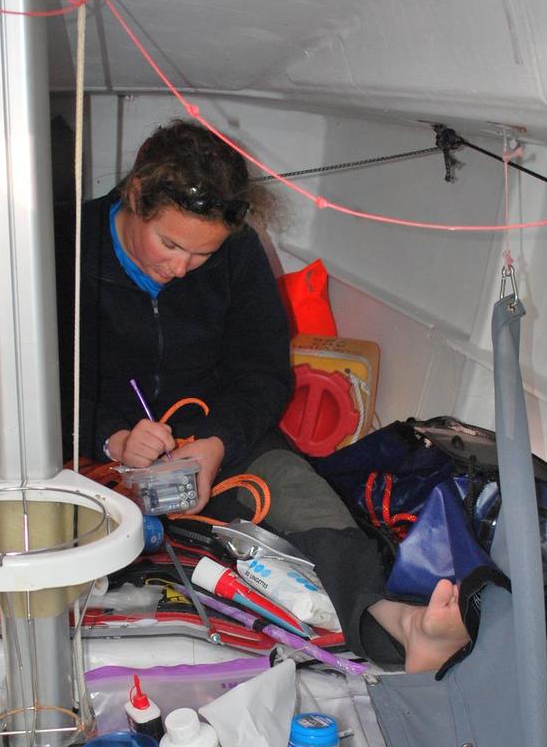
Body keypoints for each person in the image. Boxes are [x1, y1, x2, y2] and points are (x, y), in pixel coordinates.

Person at [64, 119, 471, 673]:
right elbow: (30, 378)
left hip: (217, 437)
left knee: (306, 495)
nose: (181, 268)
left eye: (200, 255)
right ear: (134, 197)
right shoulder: (65, 244)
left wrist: (215, 444)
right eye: (170, 243)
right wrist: (110, 437)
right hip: (93, 453)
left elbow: (264, 374)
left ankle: (396, 623)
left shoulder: (238, 251)